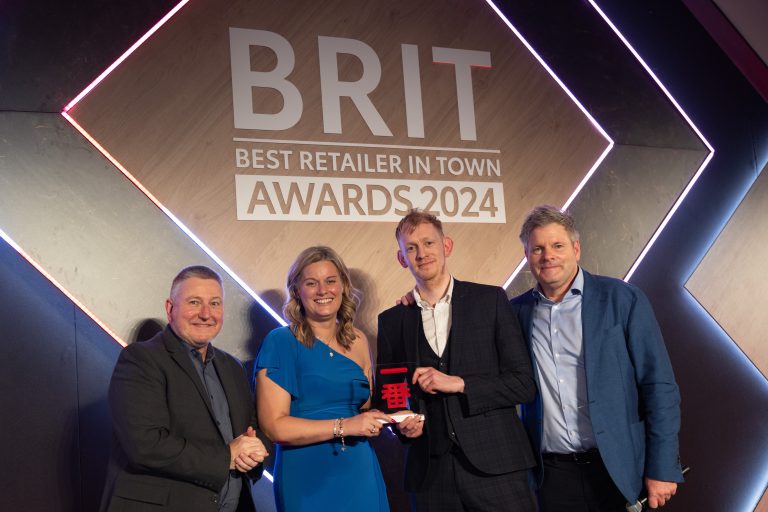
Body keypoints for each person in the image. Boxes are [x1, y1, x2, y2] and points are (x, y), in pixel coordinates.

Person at [510, 205, 684, 511]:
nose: (547, 255)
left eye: (557, 245)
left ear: (576, 249)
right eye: (537, 248)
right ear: (527, 255)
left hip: (619, 469)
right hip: (553, 476)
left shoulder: (623, 299)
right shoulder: (514, 313)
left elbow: (659, 386)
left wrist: (663, 466)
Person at [377, 209, 538, 512]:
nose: (421, 254)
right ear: (401, 259)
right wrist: (402, 423)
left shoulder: (490, 300)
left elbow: (523, 384)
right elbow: (391, 394)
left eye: (428, 243)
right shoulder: (392, 321)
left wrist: (460, 384)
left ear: (446, 246)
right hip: (430, 475)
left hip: (498, 465)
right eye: (411, 248)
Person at [100, 265, 268, 512]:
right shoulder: (141, 359)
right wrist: (227, 457)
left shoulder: (231, 367)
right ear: (170, 309)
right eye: (194, 302)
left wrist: (253, 452)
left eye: (214, 303)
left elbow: (252, 430)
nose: (205, 313)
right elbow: (145, 445)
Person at [254, 246, 391, 512]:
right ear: (297, 291)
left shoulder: (359, 340)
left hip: (360, 470)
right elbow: (274, 427)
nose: (322, 291)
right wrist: (344, 426)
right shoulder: (281, 342)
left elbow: (364, 412)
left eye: (330, 281)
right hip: (306, 476)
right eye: (311, 283)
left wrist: (396, 418)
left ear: (343, 286)